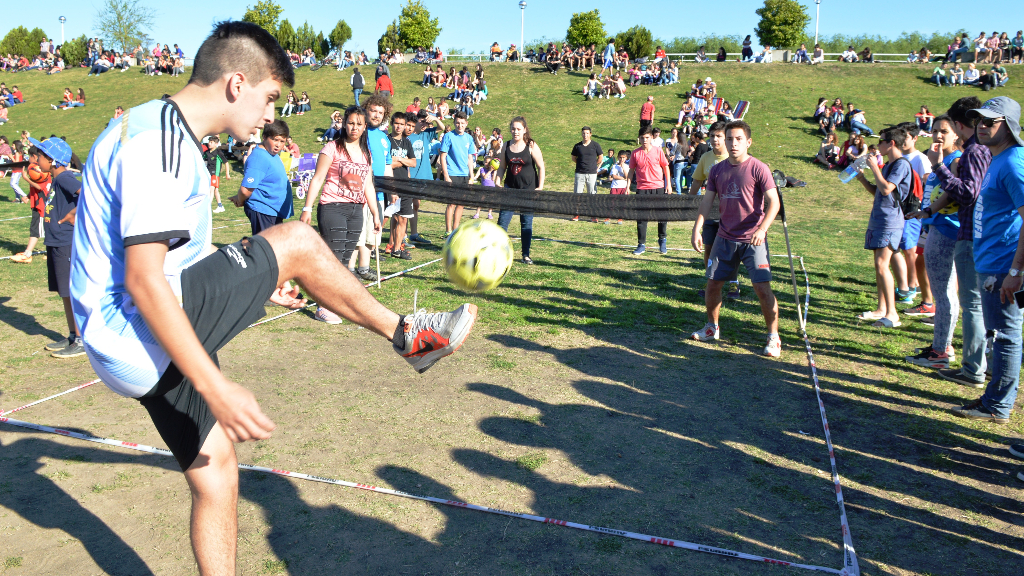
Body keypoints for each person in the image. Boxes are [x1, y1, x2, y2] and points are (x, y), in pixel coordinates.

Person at [71, 24, 478, 576]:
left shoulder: (156, 129)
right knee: (299, 240)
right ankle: (410, 337)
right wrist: (217, 385)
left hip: (132, 340)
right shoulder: (159, 141)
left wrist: (253, 288)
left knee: (217, 475)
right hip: (135, 328)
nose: (270, 116)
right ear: (237, 83)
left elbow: (168, 265)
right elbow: (145, 282)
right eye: (269, 98)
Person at [949, 96, 1024, 425]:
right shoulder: (998, 158)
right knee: (1002, 334)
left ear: (1007, 126)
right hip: (992, 259)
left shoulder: (1012, 162)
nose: (981, 126)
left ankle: (997, 404)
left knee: (1007, 335)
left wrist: (1016, 270)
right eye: (978, 120)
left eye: (989, 122)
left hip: (1004, 265)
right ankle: (996, 398)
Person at [689, 121, 781, 357]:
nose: (733, 143)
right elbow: (707, 201)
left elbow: (774, 202)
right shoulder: (717, 170)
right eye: (729, 139)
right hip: (724, 237)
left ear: (748, 142)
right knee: (712, 284)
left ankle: (773, 337)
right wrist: (697, 227)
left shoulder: (759, 168)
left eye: (738, 139)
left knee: (761, 287)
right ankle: (712, 327)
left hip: (753, 239)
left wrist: (762, 229)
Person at [921, 96, 991, 387]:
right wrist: (927, 211)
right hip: (973, 233)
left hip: (969, 233)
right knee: (977, 302)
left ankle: (972, 366)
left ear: (960, 126)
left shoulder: (973, 152)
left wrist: (939, 168)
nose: (941, 135)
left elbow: (966, 194)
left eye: (948, 129)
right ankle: (979, 363)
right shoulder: (984, 151)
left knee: (971, 302)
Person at [905, 115, 963, 368]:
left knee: (945, 292)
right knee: (942, 291)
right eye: (936, 130)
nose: (939, 135)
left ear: (957, 135)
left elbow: (955, 194)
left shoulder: (956, 160)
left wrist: (928, 213)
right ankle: (942, 345)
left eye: (945, 131)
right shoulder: (940, 159)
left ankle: (942, 351)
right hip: (934, 226)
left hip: (947, 228)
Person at [26, 137, 83, 358]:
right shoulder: (56, 179)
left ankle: (80, 340)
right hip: (55, 242)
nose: (36, 160)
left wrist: (74, 214)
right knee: (64, 293)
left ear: (53, 160)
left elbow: (88, 194)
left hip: (65, 243)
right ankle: (72, 335)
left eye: (40, 157)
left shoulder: (65, 178)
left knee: (71, 292)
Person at [854, 126, 913, 329]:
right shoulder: (889, 165)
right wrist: (862, 178)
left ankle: (892, 314)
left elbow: (888, 188)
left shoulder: (901, 165)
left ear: (891, 143)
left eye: (881, 142)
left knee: (882, 265)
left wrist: (875, 168)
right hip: (879, 219)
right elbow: (879, 191)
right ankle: (881, 309)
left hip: (891, 222)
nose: (878, 146)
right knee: (878, 266)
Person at [495, 116, 545, 265]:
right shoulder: (506, 145)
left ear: (524, 130)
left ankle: (526, 255)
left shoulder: (531, 145)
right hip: (510, 189)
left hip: (528, 190)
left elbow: (541, 166)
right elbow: (502, 166)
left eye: (518, 129)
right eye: (513, 129)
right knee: (502, 222)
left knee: (526, 223)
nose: (515, 132)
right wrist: (498, 180)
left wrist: (540, 187)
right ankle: (497, 252)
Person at [231, 119, 293, 235]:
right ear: (264, 137)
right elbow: (246, 190)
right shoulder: (259, 157)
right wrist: (240, 198)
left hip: (272, 210)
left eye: (282, 141)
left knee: (273, 248)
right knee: (265, 249)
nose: (278, 145)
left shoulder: (271, 154)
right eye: (275, 140)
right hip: (263, 210)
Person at [627, 125, 671, 256]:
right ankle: (641, 244)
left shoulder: (658, 151)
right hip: (642, 189)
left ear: (651, 137)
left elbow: (666, 167)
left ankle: (662, 240)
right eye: (642, 138)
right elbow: (631, 171)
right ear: (639, 139)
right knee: (641, 218)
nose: (644, 140)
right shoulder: (635, 153)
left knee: (662, 215)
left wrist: (668, 184)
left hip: (658, 187)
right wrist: (628, 186)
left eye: (647, 137)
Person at [405, 109, 444, 246]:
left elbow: (442, 127)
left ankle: (414, 234)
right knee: (406, 205)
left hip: (421, 176)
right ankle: (403, 235)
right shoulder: (408, 136)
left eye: (425, 123)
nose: (423, 125)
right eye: (421, 121)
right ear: (415, 121)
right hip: (409, 175)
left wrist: (433, 118)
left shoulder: (426, 134)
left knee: (415, 205)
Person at [439, 111, 476, 236]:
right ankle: (448, 231)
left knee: (461, 204)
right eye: (457, 123)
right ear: (454, 123)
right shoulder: (448, 136)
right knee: (451, 203)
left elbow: (470, 158)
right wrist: (446, 176)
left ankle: (455, 230)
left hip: (464, 175)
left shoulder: (469, 138)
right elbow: (443, 157)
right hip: (452, 174)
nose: (460, 125)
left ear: (466, 123)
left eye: (462, 123)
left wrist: (472, 176)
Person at [386, 112, 416, 259]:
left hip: (405, 184)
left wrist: (398, 159)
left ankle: (397, 249)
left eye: (402, 124)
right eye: (396, 123)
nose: (399, 126)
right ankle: (371, 249)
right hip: (389, 184)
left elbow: (413, 162)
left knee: (403, 218)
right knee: (385, 216)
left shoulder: (407, 142)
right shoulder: (386, 140)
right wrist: (404, 160)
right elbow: (387, 164)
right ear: (392, 123)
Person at [571, 126, 603, 221]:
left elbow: (600, 157)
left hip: (592, 173)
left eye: (587, 133)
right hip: (579, 173)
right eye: (583, 133)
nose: (585, 135)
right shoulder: (577, 146)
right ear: (581, 134)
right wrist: (581, 164)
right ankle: (577, 214)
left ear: (590, 134)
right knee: (578, 194)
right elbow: (573, 158)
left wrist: (593, 165)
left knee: (592, 194)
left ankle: (593, 215)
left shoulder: (595, 145)